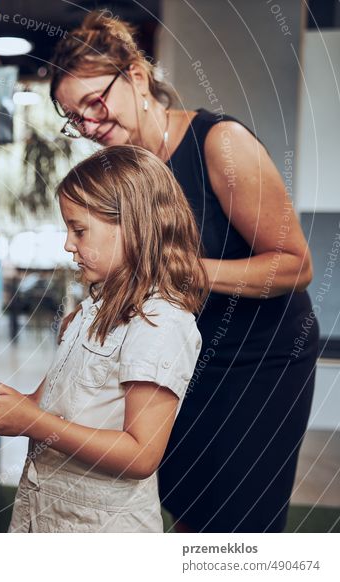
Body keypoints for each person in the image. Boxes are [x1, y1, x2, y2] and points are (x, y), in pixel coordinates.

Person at [48, 10, 318, 532]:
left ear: (137, 76)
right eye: (74, 118)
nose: (89, 125)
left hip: (258, 361)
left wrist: (186, 271)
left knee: (239, 520)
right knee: (182, 502)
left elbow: (296, 265)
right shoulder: (125, 171)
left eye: (95, 103)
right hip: (179, 359)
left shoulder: (220, 144)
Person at [0, 145, 207, 532]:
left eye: (79, 230)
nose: (68, 244)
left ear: (135, 226)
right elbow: (38, 408)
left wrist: (35, 423)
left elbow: (140, 454)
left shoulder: (159, 323)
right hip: (45, 516)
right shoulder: (91, 311)